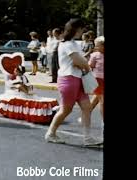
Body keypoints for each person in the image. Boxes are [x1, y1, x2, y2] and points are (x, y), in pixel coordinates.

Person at [44, 18, 102, 146]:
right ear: (76, 29)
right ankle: (51, 133)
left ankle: (88, 138)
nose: (82, 31)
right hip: (68, 79)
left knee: (86, 107)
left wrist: (84, 64)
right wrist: (86, 65)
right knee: (66, 110)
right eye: (82, 29)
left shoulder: (74, 43)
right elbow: (78, 61)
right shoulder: (67, 44)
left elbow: (81, 61)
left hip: (78, 79)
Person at [88, 36, 104, 121]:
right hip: (98, 80)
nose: (96, 47)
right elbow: (90, 66)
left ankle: (85, 115)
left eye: (98, 46)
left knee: (96, 99)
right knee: (102, 100)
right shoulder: (95, 55)